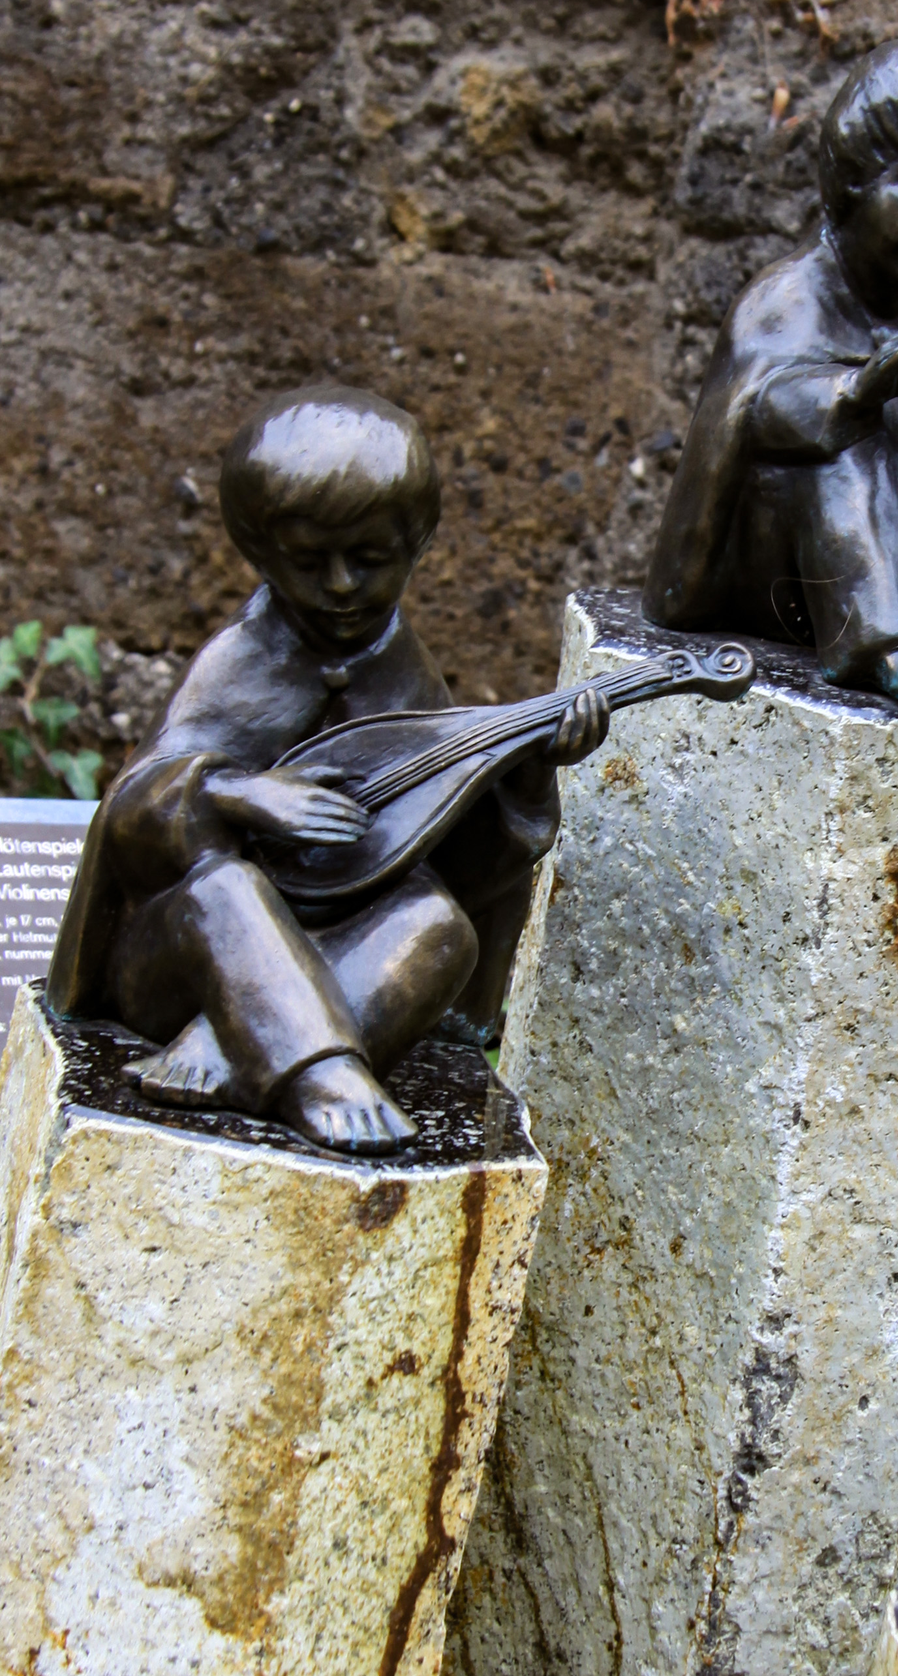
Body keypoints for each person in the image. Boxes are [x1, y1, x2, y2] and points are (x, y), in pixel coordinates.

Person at [48, 387, 607, 1154]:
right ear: (260, 551)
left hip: (334, 955)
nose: (342, 585)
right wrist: (237, 792)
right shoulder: (239, 663)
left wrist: (529, 772)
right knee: (227, 885)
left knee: (438, 928)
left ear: (416, 546)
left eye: (370, 559)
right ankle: (319, 1073)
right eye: (310, 563)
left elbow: (441, 858)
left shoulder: (405, 674)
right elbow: (134, 816)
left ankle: (236, 1048)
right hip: (184, 960)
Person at [643, 37, 898, 711]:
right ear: (855, 176)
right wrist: (861, 389)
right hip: (775, 584)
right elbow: (755, 411)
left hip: (881, 568)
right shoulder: (785, 301)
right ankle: (875, 639)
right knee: (836, 445)